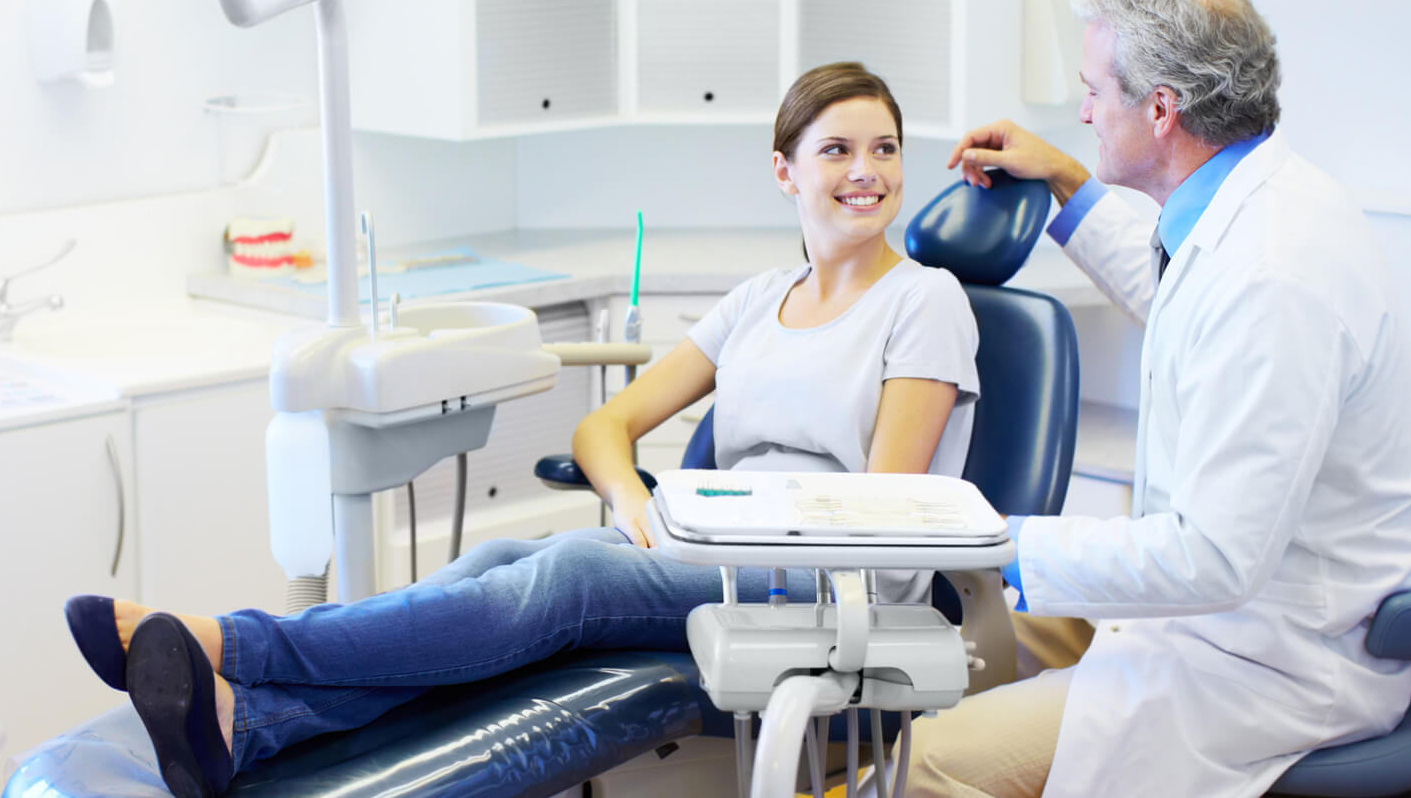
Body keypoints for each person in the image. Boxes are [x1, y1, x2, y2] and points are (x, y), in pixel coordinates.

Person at [66, 62, 982, 797]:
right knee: (490, 570)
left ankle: (235, 641)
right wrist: (634, 500)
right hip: (727, 546)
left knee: (568, 578)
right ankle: (251, 726)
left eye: (885, 150)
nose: (866, 171)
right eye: (838, 150)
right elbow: (606, 426)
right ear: (785, 170)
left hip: (841, 582)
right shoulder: (758, 301)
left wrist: (698, 533)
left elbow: (876, 510)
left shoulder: (924, 300)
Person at [904, 0, 1411, 798]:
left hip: (1270, 660)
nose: (1082, 111)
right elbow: (1184, 302)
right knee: (940, 643)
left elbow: (1213, 559)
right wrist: (1067, 180)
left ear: (1161, 109)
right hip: (1222, 616)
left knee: (928, 765)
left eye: (1094, 92)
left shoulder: (1272, 270)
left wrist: (999, 541)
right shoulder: (1260, 202)